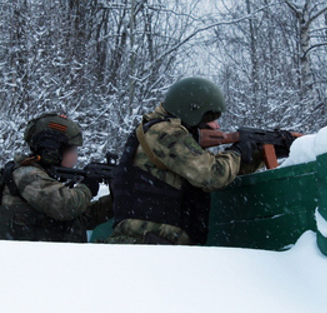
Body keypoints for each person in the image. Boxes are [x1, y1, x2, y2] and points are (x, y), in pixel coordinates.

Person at [107, 77, 262, 245]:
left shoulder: (158, 131)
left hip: (155, 245)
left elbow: (221, 175)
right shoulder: (166, 132)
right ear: (192, 111)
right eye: (210, 117)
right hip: (151, 247)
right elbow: (213, 175)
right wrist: (237, 151)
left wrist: (257, 155)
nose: (217, 126)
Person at [0, 112, 113, 242]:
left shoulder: (45, 180)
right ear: (52, 150)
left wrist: (115, 201)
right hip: (22, 261)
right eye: (71, 150)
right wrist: (87, 187)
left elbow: (80, 218)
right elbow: (65, 206)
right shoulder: (26, 175)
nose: (76, 157)